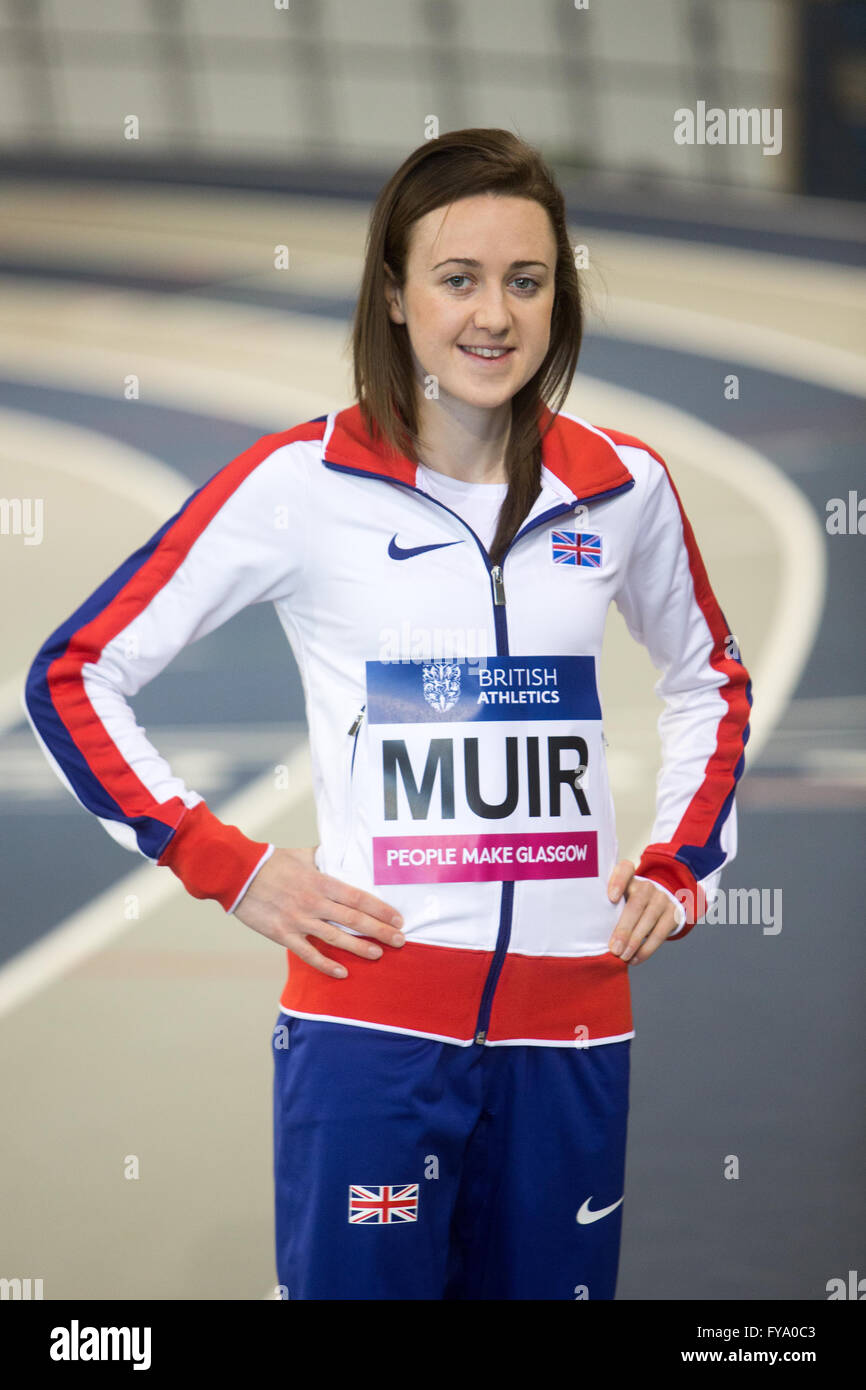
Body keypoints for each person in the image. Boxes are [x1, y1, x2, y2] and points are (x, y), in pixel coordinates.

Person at [23, 128, 752, 1301]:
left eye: (526, 280)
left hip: (571, 1025)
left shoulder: (623, 486)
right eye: (457, 279)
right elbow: (72, 673)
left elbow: (708, 677)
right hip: (372, 1025)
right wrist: (228, 864)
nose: (494, 316)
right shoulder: (295, 486)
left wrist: (681, 862)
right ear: (394, 296)